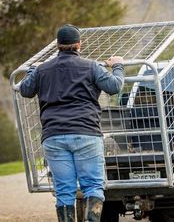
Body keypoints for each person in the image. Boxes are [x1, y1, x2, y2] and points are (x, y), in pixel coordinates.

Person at [20, 24, 124, 222]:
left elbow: (25, 90)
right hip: (86, 133)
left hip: (54, 136)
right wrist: (118, 65)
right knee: (93, 186)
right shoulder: (91, 66)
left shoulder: (42, 69)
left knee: (64, 190)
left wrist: (33, 69)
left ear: (58, 45)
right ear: (79, 45)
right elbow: (114, 86)